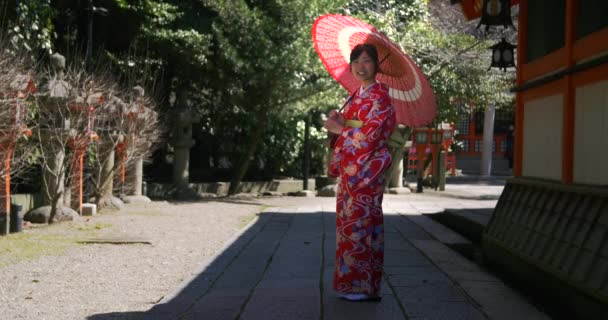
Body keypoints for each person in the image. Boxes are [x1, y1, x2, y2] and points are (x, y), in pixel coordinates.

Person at [324, 43, 396, 302]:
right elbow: (359, 125)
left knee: (363, 224)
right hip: (351, 171)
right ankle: (350, 283)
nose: (361, 66)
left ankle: (363, 286)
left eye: (367, 61)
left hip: (368, 170)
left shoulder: (381, 97)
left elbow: (373, 133)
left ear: (377, 65)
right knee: (347, 226)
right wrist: (342, 121)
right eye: (356, 61)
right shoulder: (358, 94)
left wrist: (338, 130)